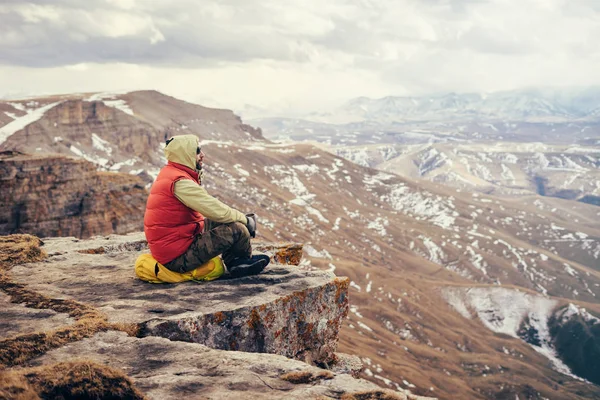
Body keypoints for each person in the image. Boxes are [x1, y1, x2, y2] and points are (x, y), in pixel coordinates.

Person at [144, 134, 269, 278]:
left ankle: (238, 262)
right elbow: (215, 210)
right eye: (197, 151)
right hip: (176, 258)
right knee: (237, 229)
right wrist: (246, 221)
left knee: (227, 221)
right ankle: (239, 263)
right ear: (185, 154)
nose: (202, 155)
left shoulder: (172, 173)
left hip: (176, 244)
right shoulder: (180, 182)